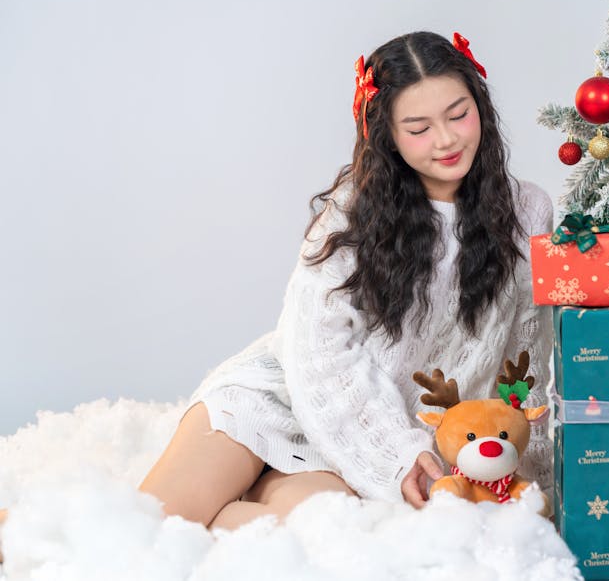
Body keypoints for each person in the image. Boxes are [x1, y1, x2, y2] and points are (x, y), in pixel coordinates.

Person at [131, 30, 555, 530]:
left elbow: (523, 361)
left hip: (378, 441)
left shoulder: (527, 211)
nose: (445, 139)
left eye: (458, 114)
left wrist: (520, 465)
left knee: (326, 537)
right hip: (283, 398)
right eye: (418, 128)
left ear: (480, 105)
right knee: (141, 528)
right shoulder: (354, 212)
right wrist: (397, 453)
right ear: (388, 137)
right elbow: (318, 353)